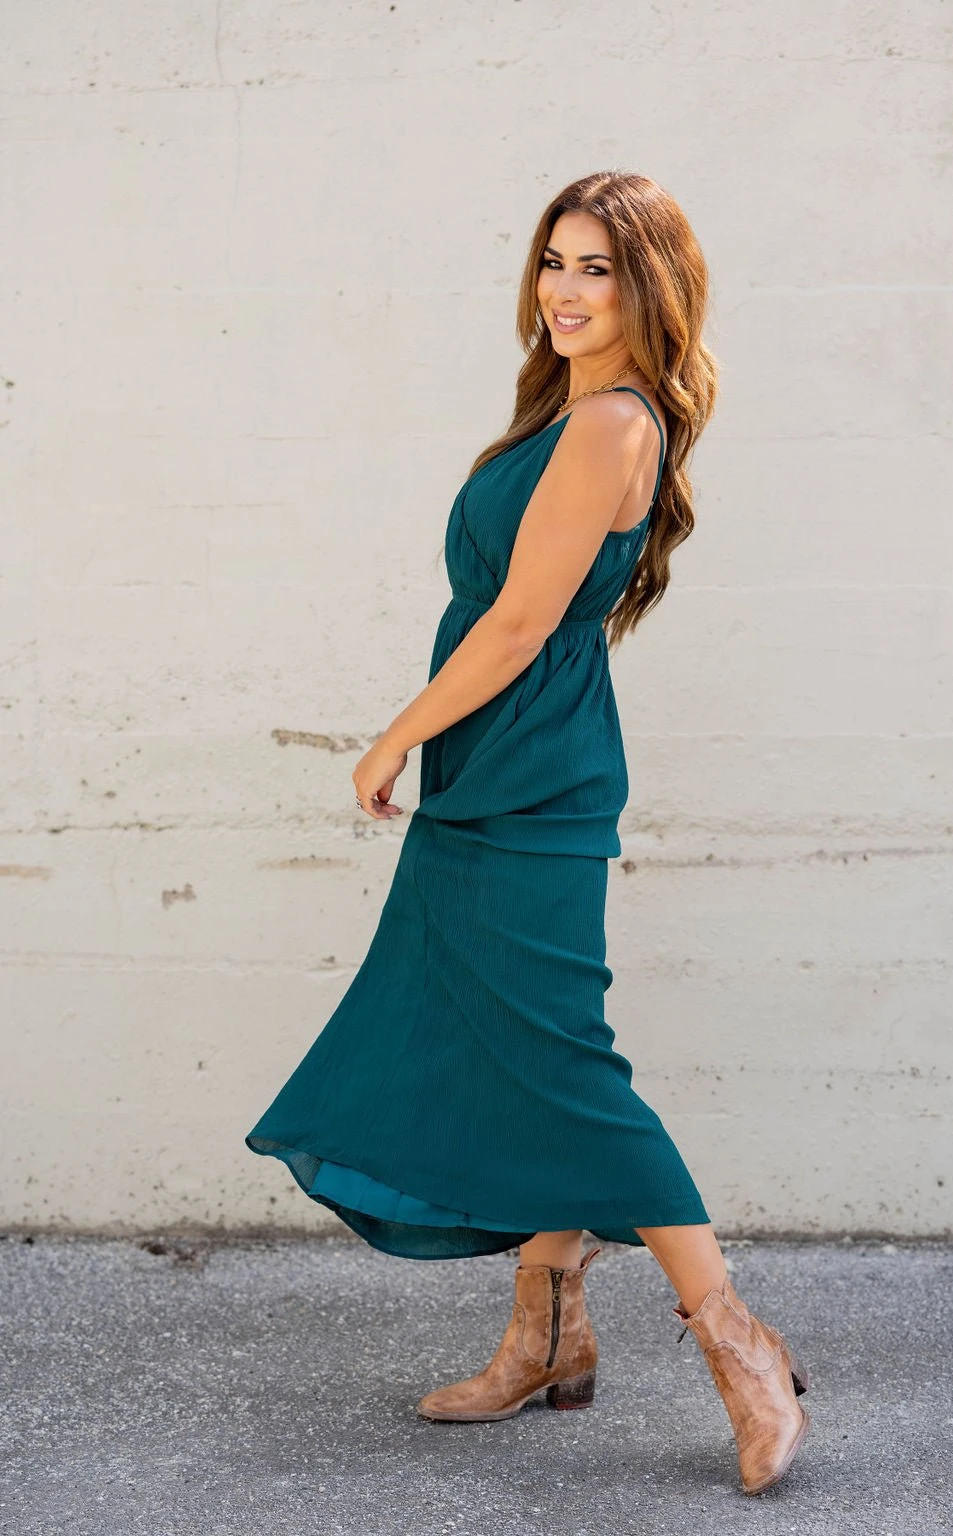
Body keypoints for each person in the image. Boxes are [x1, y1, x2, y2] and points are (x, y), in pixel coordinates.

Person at [245, 170, 810, 1496]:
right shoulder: (569, 407)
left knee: (562, 1061)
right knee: (506, 1044)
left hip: (531, 771)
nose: (565, 288)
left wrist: (392, 736)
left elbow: (515, 626)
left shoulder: (611, 421)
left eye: (597, 267)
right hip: (504, 761)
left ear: (649, 286)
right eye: (555, 260)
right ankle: (547, 1330)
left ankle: (739, 1343)